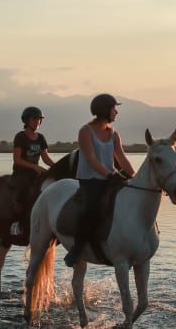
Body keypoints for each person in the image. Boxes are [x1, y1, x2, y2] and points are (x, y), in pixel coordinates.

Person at [64, 93, 136, 266]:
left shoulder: (113, 134)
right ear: (104, 110)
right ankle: (77, 249)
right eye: (114, 109)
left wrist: (135, 177)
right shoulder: (85, 131)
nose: (116, 112)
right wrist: (109, 174)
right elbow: (91, 159)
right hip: (91, 180)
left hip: (110, 179)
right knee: (91, 209)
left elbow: (122, 158)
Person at [9, 106, 55, 236]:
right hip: (21, 173)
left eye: (39, 120)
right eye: (34, 119)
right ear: (27, 121)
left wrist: (57, 167)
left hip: (36, 172)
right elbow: (17, 159)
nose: (37, 122)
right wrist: (34, 166)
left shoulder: (41, 138)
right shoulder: (20, 137)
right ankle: (15, 223)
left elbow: (45, 158)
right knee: (24, 189)